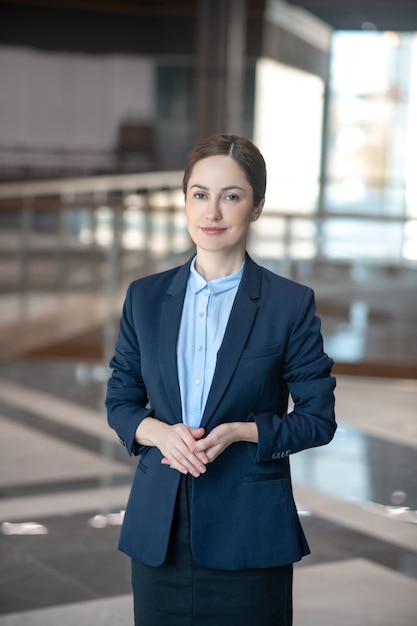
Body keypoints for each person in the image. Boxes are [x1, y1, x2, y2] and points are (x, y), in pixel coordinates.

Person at [106, 133, 336, 626]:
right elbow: (121, 401)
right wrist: (159, 433)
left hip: (249, 533)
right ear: (185, 199)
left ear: (255, 207)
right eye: (199, 194)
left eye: (231, 196)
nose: (212, 212)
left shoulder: (288, 304)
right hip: (159, 532)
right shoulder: (145, 298)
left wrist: (240, 432)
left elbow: (318, 419)